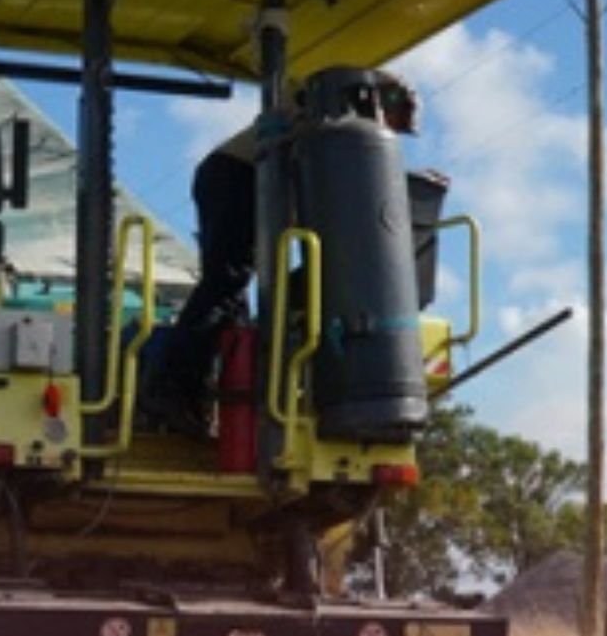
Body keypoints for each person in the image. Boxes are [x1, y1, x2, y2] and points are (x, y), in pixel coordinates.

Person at [140, 73, 420, 435]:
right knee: (225, 284)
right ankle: (169, 388)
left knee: (236, 299)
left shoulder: (347, 140)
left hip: (237, 178)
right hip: (236, 176)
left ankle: (201, 397)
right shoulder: (333, 111)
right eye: (400, 123)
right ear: (388, 104)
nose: (396, 133)